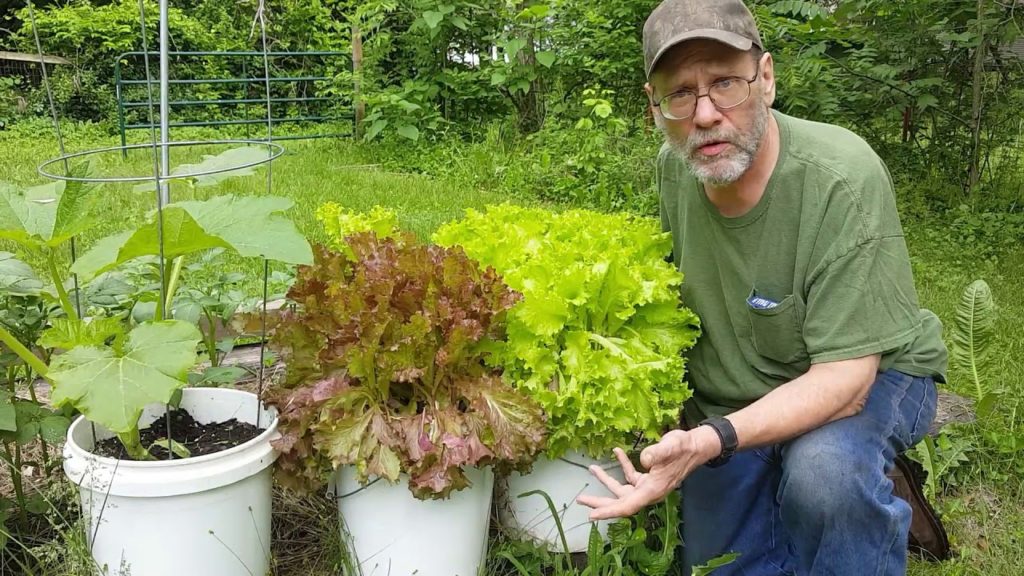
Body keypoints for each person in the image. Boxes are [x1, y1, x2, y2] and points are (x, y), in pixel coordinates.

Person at [576, 1, 949, 574]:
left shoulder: (841, 178)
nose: (704, 115)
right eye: (679, 93)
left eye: (725, 82)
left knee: (826, 472)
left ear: (766, 78)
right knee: (719, 562)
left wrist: (711, 440)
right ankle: (784, 469)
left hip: (870, 372)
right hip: (736, 390)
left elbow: (846, 381)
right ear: (654, 108)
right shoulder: (674, 170)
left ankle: (859, 490)